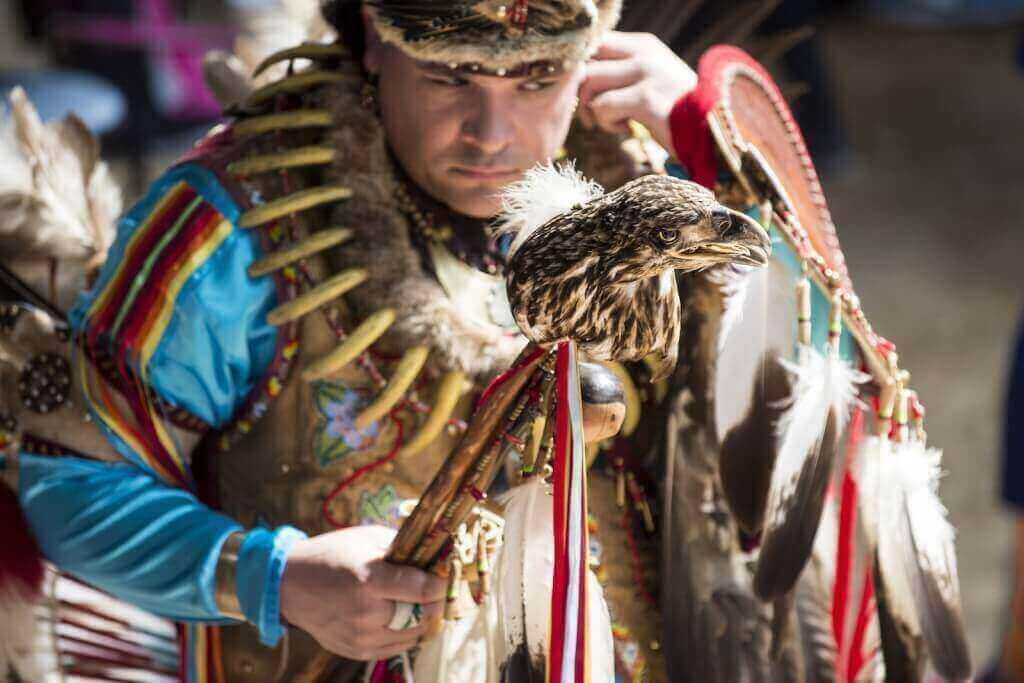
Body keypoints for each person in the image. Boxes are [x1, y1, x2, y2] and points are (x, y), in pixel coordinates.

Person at [0, 1, 740, 680]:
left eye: (537, 79)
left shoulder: (649, 178)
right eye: (449, 77)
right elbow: (71, 479)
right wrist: (279, 576)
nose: (491, 131)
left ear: (589, 57)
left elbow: (808, 417)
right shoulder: (233, 230)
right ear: (374, 43)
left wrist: (725, 151)